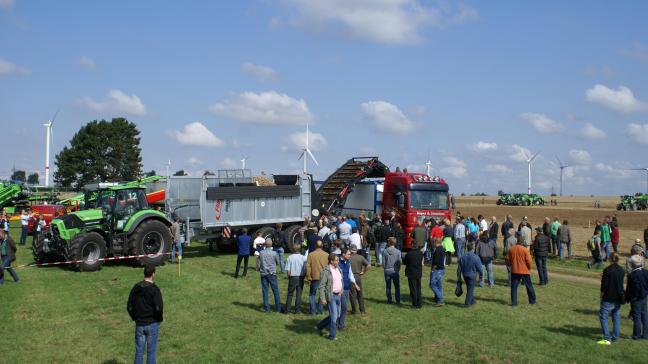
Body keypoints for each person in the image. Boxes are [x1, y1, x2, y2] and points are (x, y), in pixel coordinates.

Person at [127, 264, 163, 364]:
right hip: (152, 324)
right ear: (153, 274)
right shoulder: (154, 289)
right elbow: (159, 307)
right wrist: (159, 319)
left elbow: (129, 306)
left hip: (139, 324)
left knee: (139, 352)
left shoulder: (136, 288)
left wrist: (135, 317)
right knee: (151, 353)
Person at [597, 252, 626, 345]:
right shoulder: (622, 270)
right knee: (616, 317)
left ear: (610, 259)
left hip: (608, 297)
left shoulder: (607, 270)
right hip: (618, 296)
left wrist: (601, 295)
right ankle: (615, 337)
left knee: (603, 316)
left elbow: (604, 285)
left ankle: (607, 338)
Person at [316, 253, 344, 340]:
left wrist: (341, 289)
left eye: (338, 260)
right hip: (331, 296)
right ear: (331, 261)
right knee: (334, 317)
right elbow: (321, 286)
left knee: (337, 315)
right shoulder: (326, 271)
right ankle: (332, 336)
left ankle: (320, 325)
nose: (338, 261)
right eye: (336, 260)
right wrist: (323, 298)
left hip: (338, 295)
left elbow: (341, 280)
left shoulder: (338, 269)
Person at [506, 236, 536, 306]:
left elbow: (507, 259)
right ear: (523, 242)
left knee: (514, 287)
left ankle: (514, 302)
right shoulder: (525, 250)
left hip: (515, 270)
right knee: (529, 286)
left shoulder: (511, 249)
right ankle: (532, 301)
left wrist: (511, 264)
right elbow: (529, 261)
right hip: (524, 271)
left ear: (517, 241)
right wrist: (529, 268)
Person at [625, 255, 648, 340]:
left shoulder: (632, 275)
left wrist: (628, 298)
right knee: (644, 315)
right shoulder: (646, 272)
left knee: (637, 316)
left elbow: (630, 289)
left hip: (636, 298)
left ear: (632, 264)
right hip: (644, 297)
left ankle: (636, 335)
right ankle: (646, 334)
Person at [337, 248, 360, 330]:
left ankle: (338, 323)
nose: (350, 255)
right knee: (342, 307)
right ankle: (339, 325)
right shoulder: (337, 263)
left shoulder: (348, 263)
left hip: (346, 288)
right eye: (348, 254)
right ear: (343, 254)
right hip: (339, 289)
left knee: (343, 307)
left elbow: (350, 275)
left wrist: (355, 284)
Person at [457, 241, 482, 308]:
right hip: (472, 275)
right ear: (473, 248)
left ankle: (472, 300)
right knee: (470, 289)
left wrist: (459, 277)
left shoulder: (462, 257)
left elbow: (459, 268)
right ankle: (467, 304)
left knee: (469, 288)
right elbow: (480, 269)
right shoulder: (476, 257)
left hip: (464, 275)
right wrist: (481, 277)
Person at [259, 238, 281, 313]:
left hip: (264, 273)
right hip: (272, 273)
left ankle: (266, 308)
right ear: (271, 245)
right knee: (275, 291)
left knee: (265, 291)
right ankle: (278, 308)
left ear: (265, 244)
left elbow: (259, 262)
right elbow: (278, 262)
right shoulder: (274, 253)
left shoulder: (261, 253)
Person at [306, 240, 328, 315]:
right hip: (324, 277)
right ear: (322, 246)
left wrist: (308, 277)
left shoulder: (311, 255)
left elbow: (308, 267)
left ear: (315, 246)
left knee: (312, 294)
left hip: (314, 277)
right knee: (322, 294)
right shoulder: (326, 255)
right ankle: (320, 310)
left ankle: (313, 310)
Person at [284, 243, 307, 314]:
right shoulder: (303, 258)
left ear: (293, 249)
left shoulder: (290, 257)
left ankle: (287, 310)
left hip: (293, 277)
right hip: (301, 277)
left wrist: (289, 277)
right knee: (299, 294)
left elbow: (288, 270)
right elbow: (305, 269)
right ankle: (297, 310)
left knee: (290, 294)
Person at [349, 245, 369, 314]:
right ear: (356, 250)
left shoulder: (348, 257)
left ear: (350, 250)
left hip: (351, 277)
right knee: (360, 293)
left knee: (352, 294)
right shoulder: (361, 257)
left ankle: (354, 310)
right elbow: (368, 265)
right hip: (358, 276)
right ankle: (362, 310)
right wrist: (363, 272)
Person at [403, 242, 423, 308]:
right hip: (418, 272)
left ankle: (415, 303)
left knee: (413, 288)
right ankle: (419, 303)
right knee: (418, 288)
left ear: (412, 245)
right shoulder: (420, 253)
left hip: (411, 272)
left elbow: (405, 262)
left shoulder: (409, 254)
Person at [382, 237, 402, 304]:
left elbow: (383, 263)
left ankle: (389, 300)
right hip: (395, 271)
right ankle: (398, 300)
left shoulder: (385, 251)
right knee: (397, 286)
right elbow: (399, 262)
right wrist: (398, 270)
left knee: (388, 286)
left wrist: (385, 268)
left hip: (387, 270)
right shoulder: (398, 252)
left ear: (389, 242)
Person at [429, 238, 446, 306]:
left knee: (432, 285)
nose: (432, 244)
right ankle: (438, 298)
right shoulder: (442, 249)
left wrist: (432, 270)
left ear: (436, 242)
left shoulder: (437, 251)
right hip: (441, 269)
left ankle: (441, 299)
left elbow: (436, 262)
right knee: (439, 285)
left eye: (433, 242)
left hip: (437, 269)